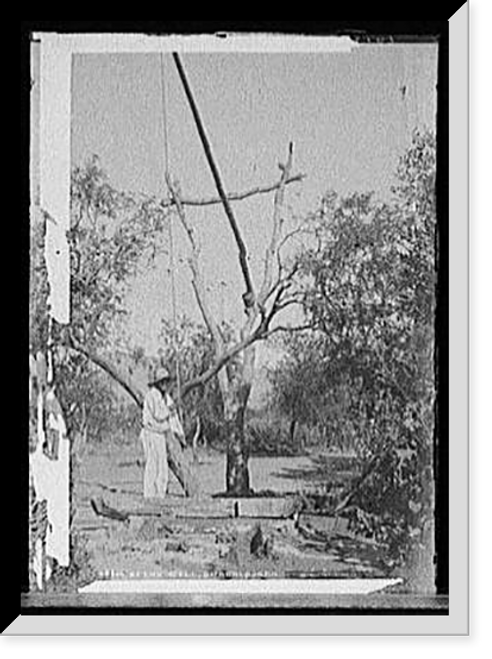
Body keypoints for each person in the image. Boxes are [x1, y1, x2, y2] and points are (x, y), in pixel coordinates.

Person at [140, 366, 185, 499]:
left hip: (160, 435)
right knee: (152, 466)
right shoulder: (152, 395)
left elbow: (173, 417)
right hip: (151, 433)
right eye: (162, 381)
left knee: (162, 469)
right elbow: (159, 415)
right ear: (157, 383)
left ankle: (160, 496)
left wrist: (180, 434)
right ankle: (149, 497)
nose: (165, 384)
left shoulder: (166, 397)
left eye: (166, 381)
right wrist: (170, 409)